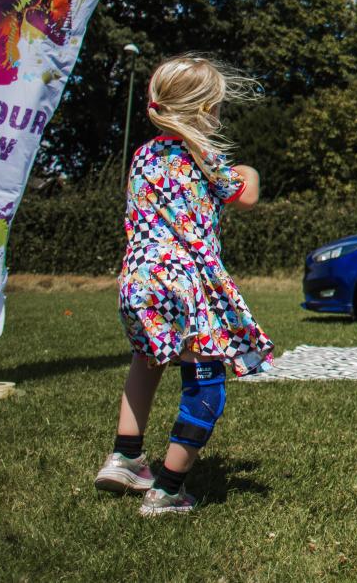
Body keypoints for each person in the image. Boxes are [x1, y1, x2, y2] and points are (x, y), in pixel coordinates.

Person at [93, 56, 271, 516]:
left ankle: (127, 455)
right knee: (206, 382)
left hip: (138, 281)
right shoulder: (202, 155)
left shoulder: (144, 153)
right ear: (206, 109)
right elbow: (245, 194)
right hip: (184, 282)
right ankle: (169, 488)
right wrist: (248, 169)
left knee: (147, 359)